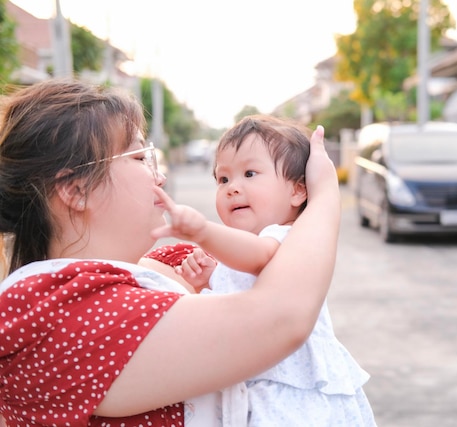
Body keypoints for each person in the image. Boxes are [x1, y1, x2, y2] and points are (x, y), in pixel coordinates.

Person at [0, 79, 341, 426]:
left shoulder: (172, 263)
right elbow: (280, 319)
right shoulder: (53, 310)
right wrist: (325, 193)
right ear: (76, 190)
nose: (159, 176)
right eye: (139, 157)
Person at [171, 115, 377, 426]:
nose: (232, 188)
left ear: (297, 191)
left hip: (291, 393)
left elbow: (258, 257)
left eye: (249, 173)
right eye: (223, 179)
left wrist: (202, 232)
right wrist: (209, 279)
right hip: (252, 385)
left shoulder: (287, 238)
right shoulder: (239, 251)